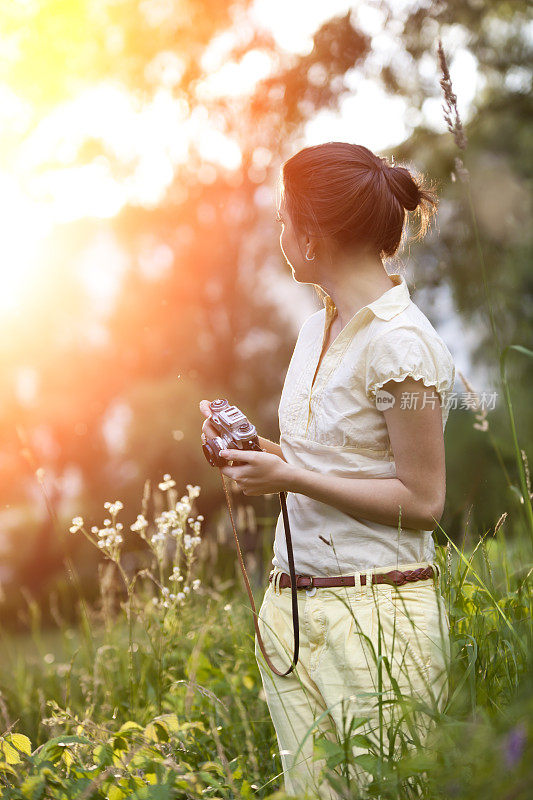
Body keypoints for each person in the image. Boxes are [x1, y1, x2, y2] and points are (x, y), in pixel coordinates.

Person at [199, 141, 455, 798]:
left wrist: (290, 480)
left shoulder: (401, 343)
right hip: (293, 612)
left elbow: (423, 499)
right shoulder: (318, 328)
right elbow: (324, 462)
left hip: (377, 616)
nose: (279, 232)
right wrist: (263, 453)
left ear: (311, 237)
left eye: (284, 219)